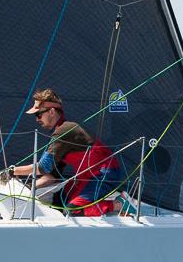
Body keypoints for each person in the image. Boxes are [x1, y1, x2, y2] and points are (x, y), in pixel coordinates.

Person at [6, 88, 124, 216]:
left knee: (72, 210)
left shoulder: (64, 130)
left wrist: (12, 171)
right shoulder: (61, 131)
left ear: (51, 112)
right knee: (58, 201)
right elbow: (53, 175)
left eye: (38, 114)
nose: (37, 119)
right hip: (87, 176)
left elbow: (43, 167)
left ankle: (120, 204)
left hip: (103, 174)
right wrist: (28, 187)